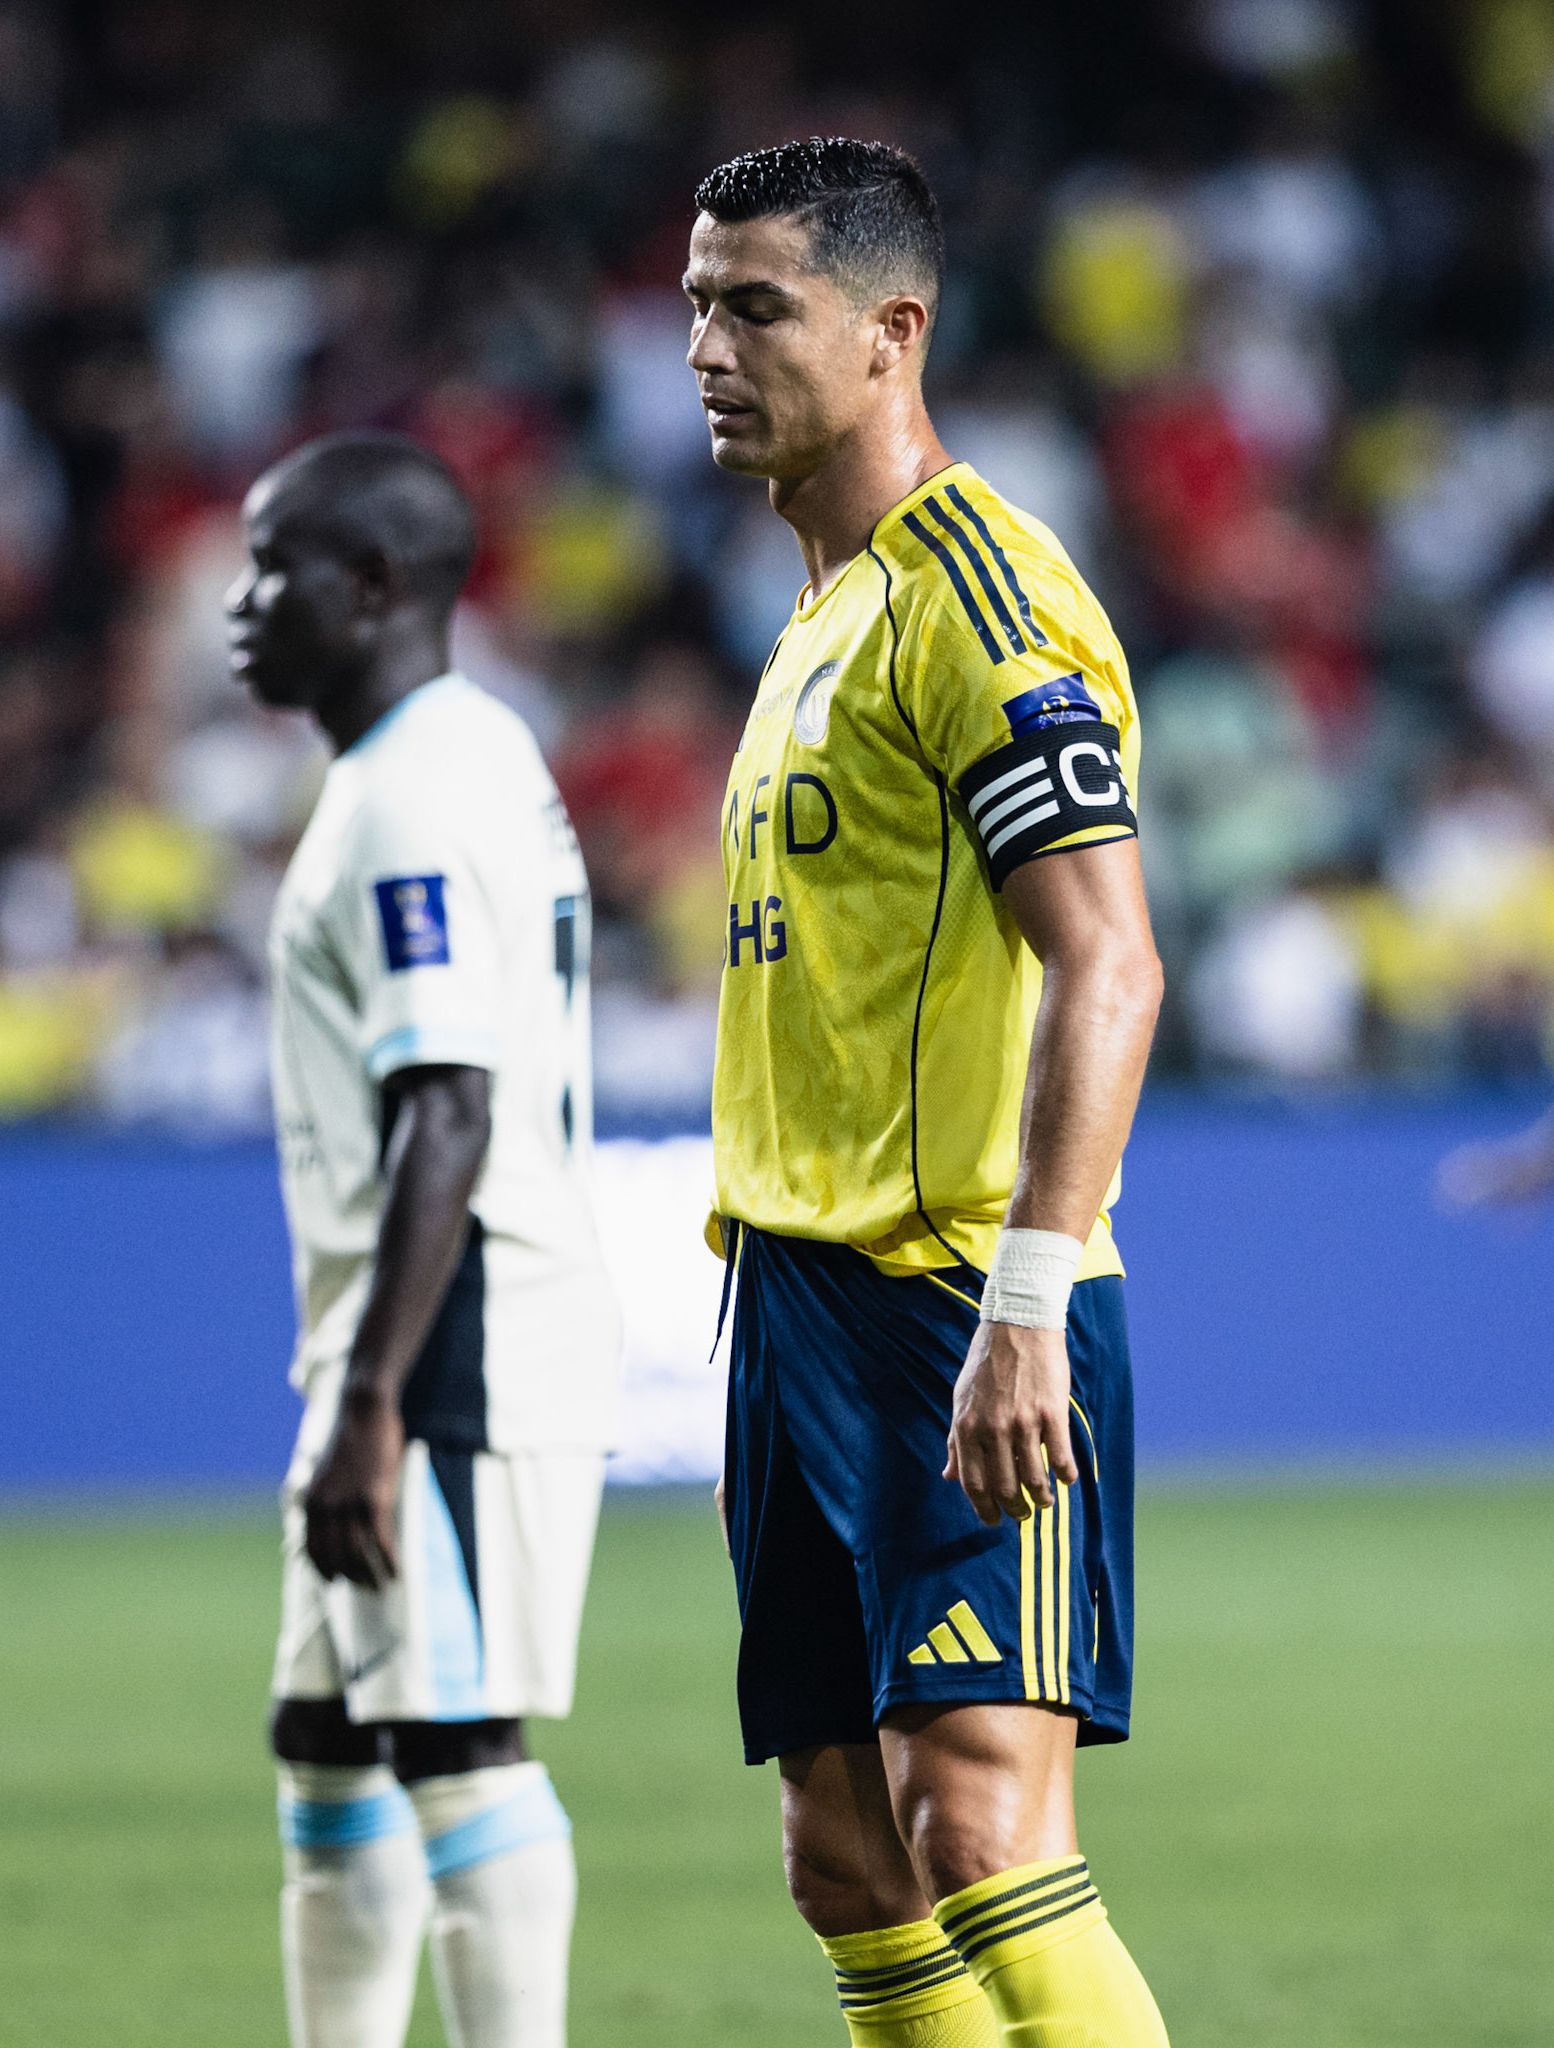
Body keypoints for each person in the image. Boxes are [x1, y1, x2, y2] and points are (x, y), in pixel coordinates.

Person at [687, 139, 1169, 2046]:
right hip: (789, 1290)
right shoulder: (817, 611)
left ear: (891, 333)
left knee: (979, 1828)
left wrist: (1027, 1298)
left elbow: (1109, 958)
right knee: (846, 1858)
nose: (706, 348)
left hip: (957, 1294)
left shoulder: (982, 602)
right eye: (696, 304)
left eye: (755, 307)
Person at [226, 430, 620, 2048]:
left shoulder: (411, 796)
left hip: (449, 1346)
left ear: (374, 585)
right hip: (405, 1339)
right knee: (325, 1737)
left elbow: (443, 1102)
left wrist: (374, 1400)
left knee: (457, 1741)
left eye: (275, 568)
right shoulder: (450, 757)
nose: (241, 605)